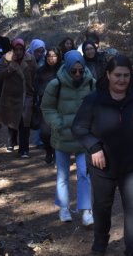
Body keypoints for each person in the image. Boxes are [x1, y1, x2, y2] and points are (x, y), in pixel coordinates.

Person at [72, 55, 133, 256]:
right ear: (108, 75)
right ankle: (100, 246)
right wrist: (94, 147)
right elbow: (78, 127)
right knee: (101, 208)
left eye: (126, 75)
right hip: (102, 167)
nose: (122, 79)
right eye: (118, 75)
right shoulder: (93, 100)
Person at [41, 50, 96, 225]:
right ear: (67, 68)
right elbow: (47, 107)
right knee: (62, 175)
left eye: (81, 70)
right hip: (62, 137)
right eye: (74, 71)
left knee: (84, 174)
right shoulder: (55, 85)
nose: (78, 74)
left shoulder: (91, 84)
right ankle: (64, 208)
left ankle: (86, 210)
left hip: (83, 139)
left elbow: (99, 106)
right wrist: (58, 122)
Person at [0, 38, 37, 157]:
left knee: (25, 123)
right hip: (11, 95)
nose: (19, 52)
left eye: (21, 49)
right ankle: (11, 142)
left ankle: (24, 149)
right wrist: (9, 69)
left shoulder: (31, 58)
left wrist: (33, 90)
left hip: (27, 95)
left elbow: (35, 74)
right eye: (16, 49)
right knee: (12, 120)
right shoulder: (6, 58)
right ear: (12, 49)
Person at [34, 47, 62, 164]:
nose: (52, 58)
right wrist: (45, 92)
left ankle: (56, 153)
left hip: (60, 104)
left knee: (57, 130)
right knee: (45, 132)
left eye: (54, 56)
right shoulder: (41, 71)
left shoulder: (62, 70)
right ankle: (48, 150)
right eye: (49, 56)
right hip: (45, 104)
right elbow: (36, 86)